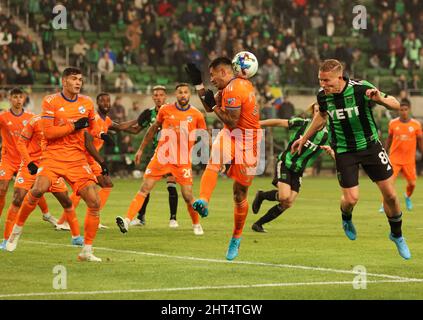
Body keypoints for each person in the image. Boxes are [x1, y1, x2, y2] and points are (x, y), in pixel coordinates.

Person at [291, 59, 411, 260]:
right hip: (344, 150)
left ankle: (397, 235)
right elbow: (321, 117)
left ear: (340, 77)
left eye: (327, 80)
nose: (323, 84)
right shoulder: (323, 96)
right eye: (320, 80)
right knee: (351, 198)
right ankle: (346, 218)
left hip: (370, 146)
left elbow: (396, 105)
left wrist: (379, 99)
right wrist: (304, 138)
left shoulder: (361, 88)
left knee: (390, 194)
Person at [5, 67, 105, 262]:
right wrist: (74, 126)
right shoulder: (50, 101)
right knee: (38, 189)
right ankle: (16, 231)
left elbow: (93, 129)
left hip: (76, 159)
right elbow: (49, 133)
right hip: (53, 155)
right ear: (64, 81)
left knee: (94, 202)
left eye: (80, 80)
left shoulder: (87, 102)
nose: (78, 82)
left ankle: (86, 250)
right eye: (74, 79)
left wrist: (102, 133)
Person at [185, 57, 262, 260]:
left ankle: (236, 237)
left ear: (224, 72)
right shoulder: (230, 87)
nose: (211, 79)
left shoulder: (235, 89)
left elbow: (231, 119)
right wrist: (198, 85)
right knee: (215, 159)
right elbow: (212, 106)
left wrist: (214, 105)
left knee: (240, 194)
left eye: (212, 75)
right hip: (230, 134)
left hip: (248, 142)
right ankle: (203, 200)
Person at [115, 83, 206, 235]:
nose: (183, 95)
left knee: (188, 195)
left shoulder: (197, 114)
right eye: (180, 92)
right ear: (175, 95)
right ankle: (127, 220)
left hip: (181, 160)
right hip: (162, 157)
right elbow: (152, 130)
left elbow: (203, 137)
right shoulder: (165, 110)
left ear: (189, 95)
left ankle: (196, 224)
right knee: (144, 188)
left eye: (185, 92)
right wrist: (141, 149)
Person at [54, 92, 136, 231]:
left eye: (108, 101)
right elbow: (88, 143)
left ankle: (67, 221)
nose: (106, 103)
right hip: (85, 158)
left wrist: (139, 119)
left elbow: (121, 126)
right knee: (91, 187)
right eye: (103, 101)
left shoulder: (107, 120)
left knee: (103, 185)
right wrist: (101, 161)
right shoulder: (95, 119)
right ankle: (70, 221)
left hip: (92, 159)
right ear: (97, 104)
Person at [1, 114, 84, 250]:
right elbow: (21, 142)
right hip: (31, 166)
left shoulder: (62, 123)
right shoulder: (35, 121)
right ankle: (6, 240)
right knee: (17, 198)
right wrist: (29, 163)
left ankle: (76, 237)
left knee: (66, 201)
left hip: (50, 165)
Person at [252, 103, 333, 232]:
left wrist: (332, 152)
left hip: (298, 170)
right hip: (285, 163)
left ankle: (258, 224)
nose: (318, 114)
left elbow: (336, 152)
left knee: (288, 202)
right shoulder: (302, 123)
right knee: (284, 196)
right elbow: (279, 122)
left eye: (320, 111)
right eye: (315, 111)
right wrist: (259, 124)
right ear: (313, 113)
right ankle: (261, 196)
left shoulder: (327, 135)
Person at [0, 88, 56, 228]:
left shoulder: (31, 117)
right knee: (2, 188)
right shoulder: (3, 117)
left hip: (26, 159)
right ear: (10, 99)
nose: (18, 100)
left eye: (20, 97)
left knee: (35, 187)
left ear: (24, 99)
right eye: (15, 97)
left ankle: (46, 214)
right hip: (8, 159)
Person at [127, 85, 180, 228]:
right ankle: (141, 217)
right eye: (155, 95)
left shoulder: (173, 111)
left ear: (165, 97)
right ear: (153, 97)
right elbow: (137, 129)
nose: (158, 98)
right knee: (147, 186)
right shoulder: (148, 114)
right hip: (157, 153)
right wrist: (115, 126)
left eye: (161, 95)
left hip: (172, 153)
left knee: (171, 184)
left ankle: (173, 219)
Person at [381, 99, 423, 212]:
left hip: (409, 159)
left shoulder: (416, 124)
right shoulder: (393, 123)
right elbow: (389, 139)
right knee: (388, 183)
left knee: (412, 183)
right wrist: (384, 151)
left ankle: (407, 196)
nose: (403, 112)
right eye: (401, 109)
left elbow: (420, 141)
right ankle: (384, 204)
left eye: (405, 109)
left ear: (409, 109)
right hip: (394, 158)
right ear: (398, 110)